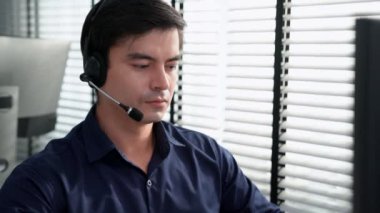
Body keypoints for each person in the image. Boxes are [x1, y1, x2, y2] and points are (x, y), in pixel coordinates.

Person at [0, 0, 281, 212]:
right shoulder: (40, 183)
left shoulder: (209, 159)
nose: (163, 83)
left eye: (171, 65)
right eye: (142, 65)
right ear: (95, 71)